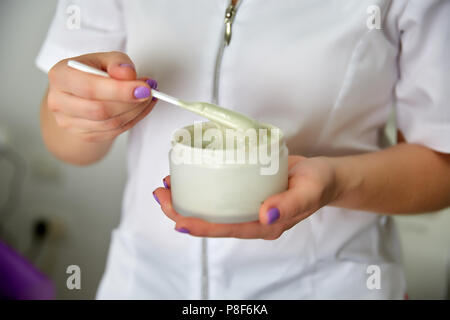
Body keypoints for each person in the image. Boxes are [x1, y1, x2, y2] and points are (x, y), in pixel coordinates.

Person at [37, 0, 450, 299]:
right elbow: (68, 144)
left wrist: (337, 182)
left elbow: (441, 161)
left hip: (327, 283)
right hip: (145, 279)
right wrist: (86, 110)